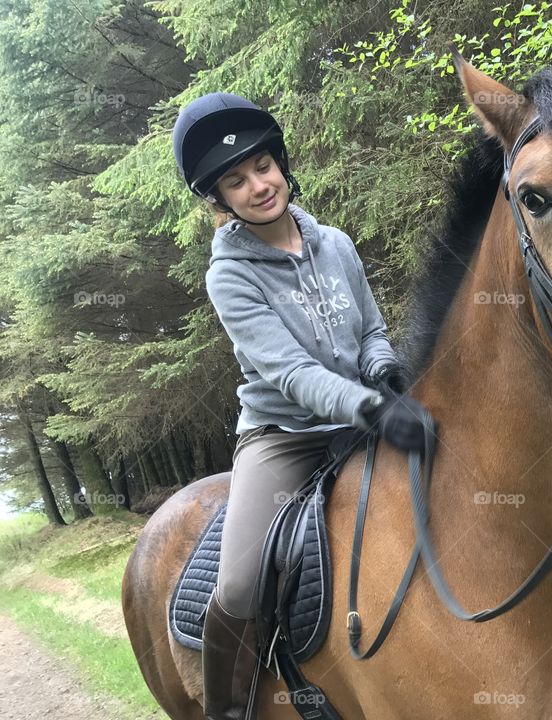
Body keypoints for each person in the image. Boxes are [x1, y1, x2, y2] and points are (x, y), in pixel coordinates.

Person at [172, 92, 432, 720]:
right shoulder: (229, 275)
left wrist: (386, 372)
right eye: (236, 181)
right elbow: (289, 373)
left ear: (281, 164)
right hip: (283, 434)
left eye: (262, 166)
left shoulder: (336, 244)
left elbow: (369, 331)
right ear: (221, 200)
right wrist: (372, 409)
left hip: (364, 412)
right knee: (236, 584)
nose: (258, 186)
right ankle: (228, 710)